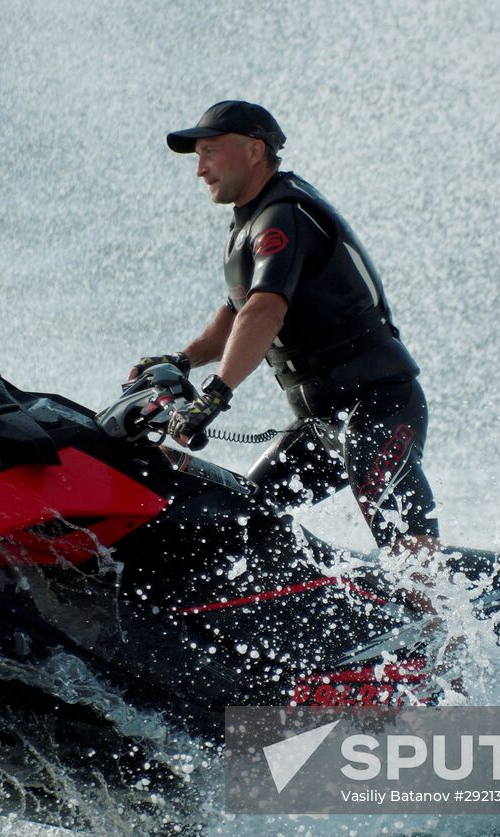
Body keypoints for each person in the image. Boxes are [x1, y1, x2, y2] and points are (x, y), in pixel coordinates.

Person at [130, 100, 440, 557]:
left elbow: (263, 313)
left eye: (210, 151)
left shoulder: (285, 214)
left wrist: (216, 394)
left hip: (377, 404)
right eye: (198, 156)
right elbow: (238, 310)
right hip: (322, 422)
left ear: (254, 150)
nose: (200, 169)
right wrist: (184, 360)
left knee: (404, 545)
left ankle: (457, 625)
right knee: (246, 519)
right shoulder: (250, 221)